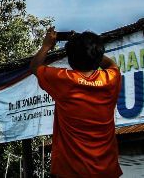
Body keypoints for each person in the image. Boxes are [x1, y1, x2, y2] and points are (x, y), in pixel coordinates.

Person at [30, 28, 122, 177]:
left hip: (70, 172)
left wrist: (46, 45)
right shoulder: (110, 79)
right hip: (107, 171)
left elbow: (35, 67)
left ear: (71, 60)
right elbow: (112, 65)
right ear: (98, 57)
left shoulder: (63, 79)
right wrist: (91, 49)